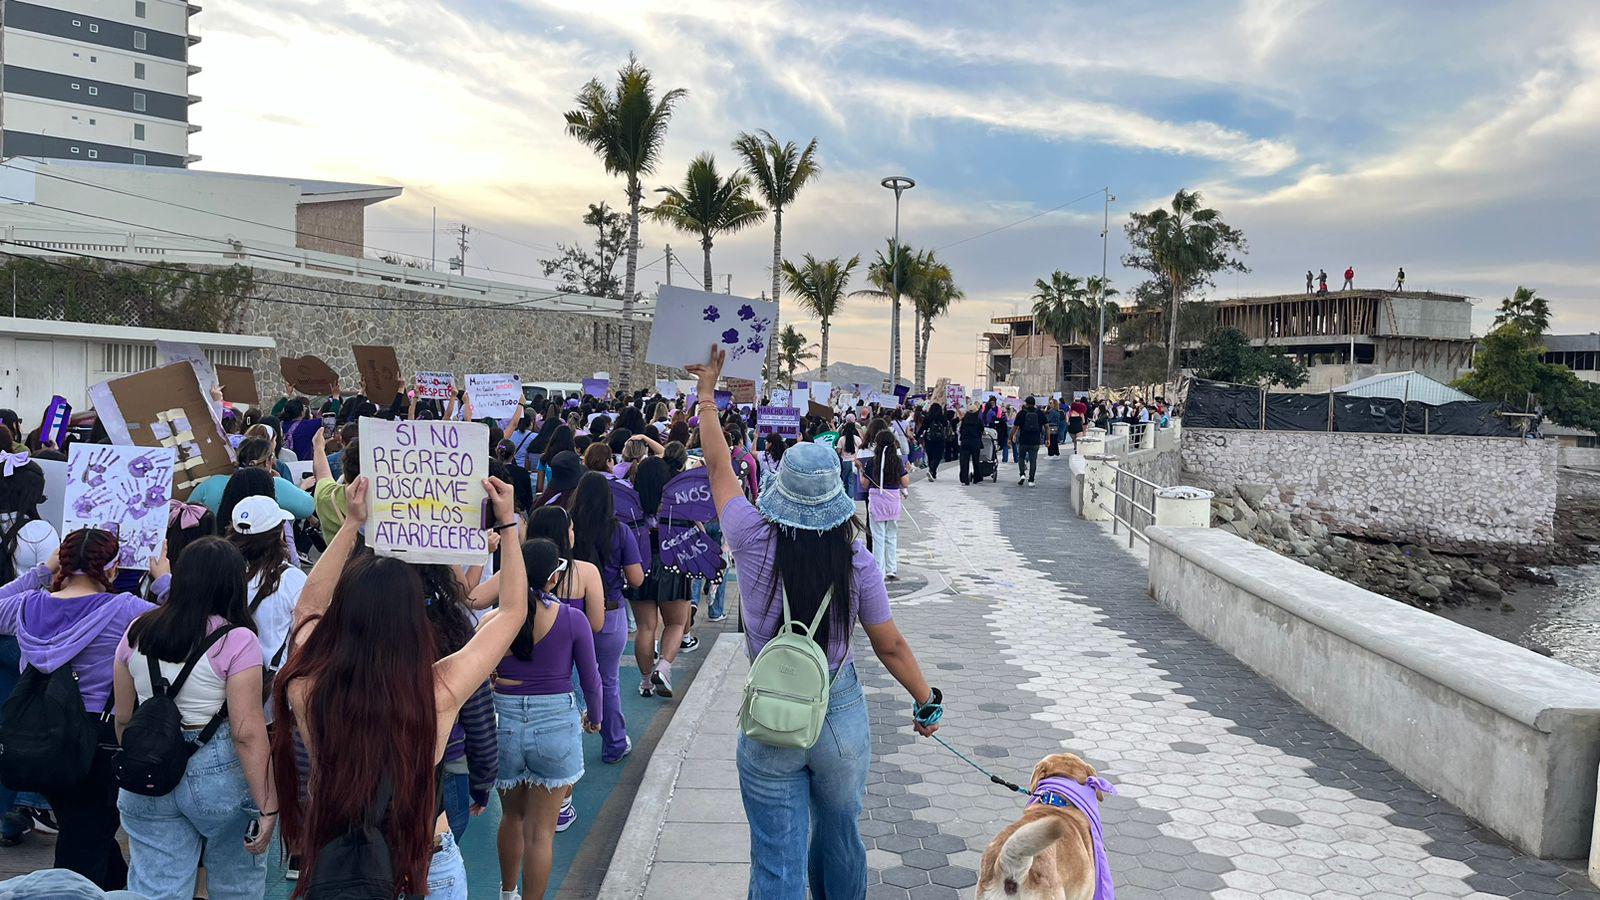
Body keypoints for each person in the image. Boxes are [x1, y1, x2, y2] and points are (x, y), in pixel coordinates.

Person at [686, 346, 941, 898]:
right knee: (841, 838)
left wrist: (708, 396)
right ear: (836, 497)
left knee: (777, 858)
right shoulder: (857, 561)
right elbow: (890, 645)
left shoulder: (752, 539)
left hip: (772, 710)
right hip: (839, 710)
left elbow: (717, 467)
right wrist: (926, 700)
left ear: (780, 493)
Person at [269, 476, 527, 898]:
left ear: (344, 613)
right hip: (423, 862)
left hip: (338, 866)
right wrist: (508, 527)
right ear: (412, 619)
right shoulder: (437, 691)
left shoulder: (307, 686)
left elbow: (309, 607)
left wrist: (352, 524)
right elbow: (513, 611)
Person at [0, 529, 172, 888]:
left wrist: (40, 573)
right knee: (84, 838)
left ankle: (115, 889)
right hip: (97, 736)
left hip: (40, 735)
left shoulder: (27, 605)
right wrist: (165, 580)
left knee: (86, 827)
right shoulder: (125, 610)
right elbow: (189, 626)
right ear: (112, 569)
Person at [112, 537, 274, 899]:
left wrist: (145, 756)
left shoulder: (137, 630)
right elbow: (247, 731)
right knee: (235, 885)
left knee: (155, 888)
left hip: (148, 767)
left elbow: (123, 717)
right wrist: (268, 804)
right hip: (215, 769)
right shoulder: (238, 640)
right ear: (233, 583)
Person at [492, 540, 602, 900]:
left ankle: (507, 893)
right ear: (553, 579)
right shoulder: (572, 619)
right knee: (542, 832)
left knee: (511, 818)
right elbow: (591, 677)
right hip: (555, 721)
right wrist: (595, 717)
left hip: (504, 719)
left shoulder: (498, 617)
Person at [567, 474, 639, 757]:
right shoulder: (619, 531)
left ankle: (568, 751)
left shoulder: (568, 528)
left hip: (568, 612)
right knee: (608, 680)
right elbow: (636, 578)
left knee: (565, 681)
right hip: (609, 613)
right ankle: (614, 743)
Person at [187, 437, 314, 521]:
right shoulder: (275, 485)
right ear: (268, 462)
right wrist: (302, 487)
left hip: (215, 549)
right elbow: (307, 507)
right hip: (260, 552)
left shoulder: (212, 483)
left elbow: (187, 512)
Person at [860, 432, 907, 581]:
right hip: (893, 500)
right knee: (891, 535)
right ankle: (891, 569)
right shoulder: (897, 462)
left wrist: (861, 471)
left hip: (876, 501)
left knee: (878, 536)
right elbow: (905, 482)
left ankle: (878, 570)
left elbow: (865, 484)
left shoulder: (872, 462)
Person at [1011, 396, 1046, 487]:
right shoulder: (1040, 413)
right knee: (1033, 461)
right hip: (1035, 441)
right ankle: (1031, 480)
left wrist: (1010, 438)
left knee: (1021, 458)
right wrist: (1048, 439)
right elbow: (1047, 427)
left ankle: (1022, 474)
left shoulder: (1021, 413)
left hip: (1023, 440)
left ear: (1026, 403)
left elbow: (1014, 428)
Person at [916, 403, 947, 481]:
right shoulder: (941, 417)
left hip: (929, 438)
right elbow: (945, 424)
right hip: (940, 439)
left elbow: (923, 428)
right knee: (938, 456)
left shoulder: (928, 417)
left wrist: (917, 437)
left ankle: (932, 472)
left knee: (930, 455)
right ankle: (932, 470)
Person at [957, 404, 984, 486]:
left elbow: (961, 430)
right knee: (976, 461)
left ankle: (965, 479)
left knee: (964, 461)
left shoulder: (964, 420)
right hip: (975, 442)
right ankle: (977, 478)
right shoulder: (978, 420)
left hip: (965, 442)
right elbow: (982, 429)